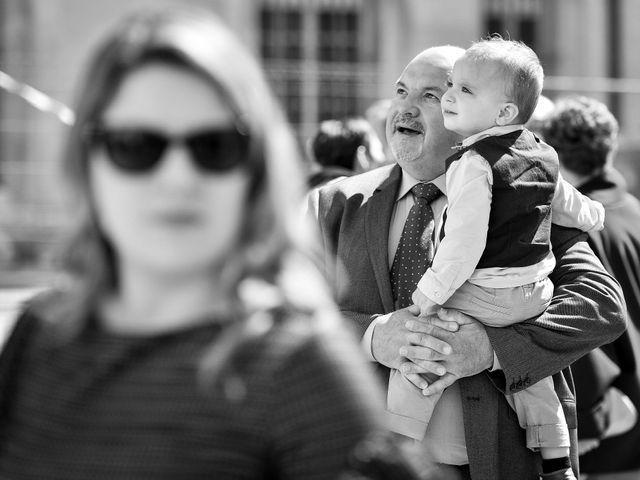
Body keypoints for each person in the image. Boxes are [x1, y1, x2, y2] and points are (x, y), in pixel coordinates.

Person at [0, 7, 425, 479]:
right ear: (86, 164)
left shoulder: (300, 369)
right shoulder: (39, 337)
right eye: (136, 145)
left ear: (256, 170)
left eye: (215, 147)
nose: (178, 178)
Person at [309, 44, 626, 479]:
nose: (406, 108)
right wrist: (373, 336)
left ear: (488, 115)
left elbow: (601, 307)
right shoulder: (334, 204)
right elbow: (275, 317)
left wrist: (491, 350)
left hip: (502, 463)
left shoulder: (526, 194)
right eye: (402, 92)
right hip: (363, 464)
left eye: (431, 96)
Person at [399, 38, 604, 479]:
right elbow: (569, 201)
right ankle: (555, 455)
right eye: (450, 86)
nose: (450, 96)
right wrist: (597, 215)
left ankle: (396, 440)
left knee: (424, 340)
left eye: (459, 91)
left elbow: (463, 245)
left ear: (504, 112)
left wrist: (429, 294)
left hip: (488, 290)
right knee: (529, 375)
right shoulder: (540, 152)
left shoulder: (473, 163)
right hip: (534, 292)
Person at [542, 96, 640, 480]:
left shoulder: (573, 227)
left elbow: (579, 322)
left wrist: (588, 419)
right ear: (610, 146)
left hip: (607, 429)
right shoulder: (635, 211)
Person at [307, 116, 386, 188]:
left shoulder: (314, 192)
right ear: (362, 155)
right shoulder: (354, 198)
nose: (383, 158)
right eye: (379, 150)